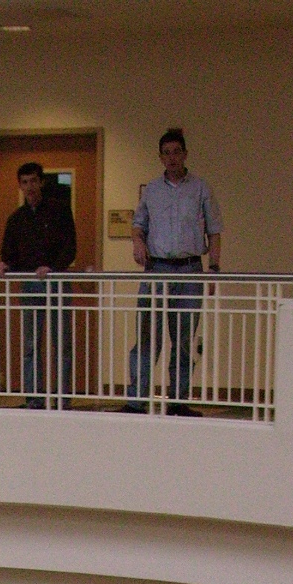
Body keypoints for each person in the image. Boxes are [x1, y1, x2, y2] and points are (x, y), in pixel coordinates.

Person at [124, 128, 222, 416]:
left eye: (177, 152)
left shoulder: (201, 188)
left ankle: (177, 401)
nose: (172, 158)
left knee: (184, 340)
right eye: (166, 153)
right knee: (146, 338)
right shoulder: (152, 190)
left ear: (185, 154)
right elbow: (138, 224)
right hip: (156, 269)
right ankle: (137, 401)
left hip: (190, 270)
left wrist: (214, 269)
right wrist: (137, 242)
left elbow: (215, 231)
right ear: (160, 157)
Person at [0, 161, 77, 408]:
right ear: (20, 186)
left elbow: (70, 247)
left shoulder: (59, 211)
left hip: (57, 282)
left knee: (61, 343)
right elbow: (8, 251)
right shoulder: (16, 219)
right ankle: (34, 399)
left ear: (41, 182)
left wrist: (53, 268)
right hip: (30, 285)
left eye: (33, 181)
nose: (29, 187)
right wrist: (5, 264)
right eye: (25, 182)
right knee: (31, 344)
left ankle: (62, 399)